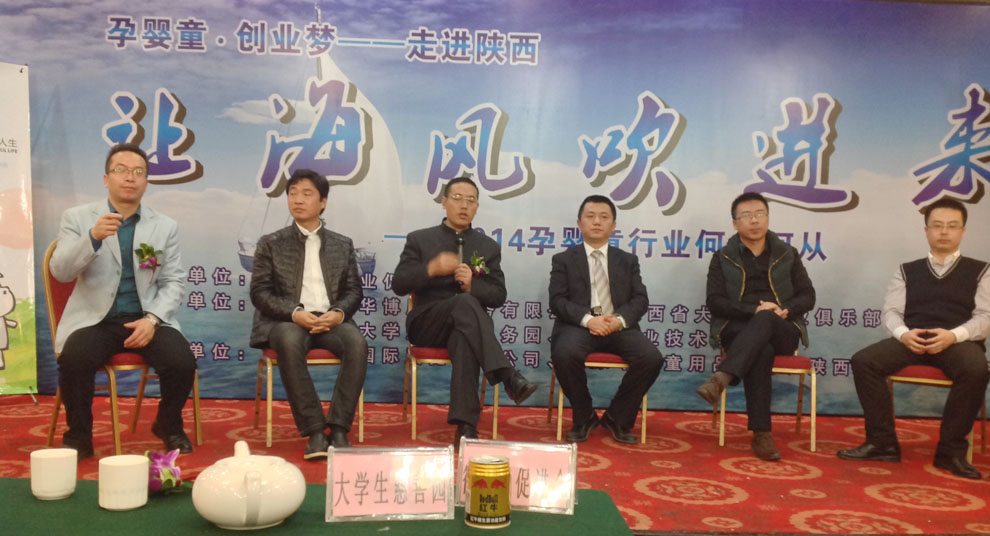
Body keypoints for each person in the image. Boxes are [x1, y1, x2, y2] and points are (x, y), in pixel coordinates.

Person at [51, 143, 196, 460]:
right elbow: (60, 271)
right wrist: (92, 238)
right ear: (106, 179)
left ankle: (168, 424)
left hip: (146, 319)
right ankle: (78, 436)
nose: (130, 177)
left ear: (146, 182)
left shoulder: (164, 226)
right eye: (121, 170)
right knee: (74, 359)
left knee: (183, 361)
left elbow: (174, 282)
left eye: (138, 172)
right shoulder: (78, 218)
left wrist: (152, 319)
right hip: (96, 320)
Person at [837, 198, 989, 479]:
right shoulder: (907, 270)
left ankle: (951, 452)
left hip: (958, 342)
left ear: (963, 231)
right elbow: (891, 312)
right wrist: (904, 334)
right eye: (937, 225)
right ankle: (882, 443)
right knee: (864, 361)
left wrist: (953, 335)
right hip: (913, 339)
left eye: (952, 226)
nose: (944, 232)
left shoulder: (981, 270)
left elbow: (985, 317)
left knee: (977, 368)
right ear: (926, 230)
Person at [392, 177, 538, 443]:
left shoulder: (488, 247)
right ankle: (507, 374)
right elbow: (399, 284)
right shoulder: (420, 239)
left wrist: (473, 286)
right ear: (444, 202)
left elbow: (498, 295)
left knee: (465, 334)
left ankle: (466, 426)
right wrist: (430, 269)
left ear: (477, 207)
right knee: (466, 304)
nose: (464, 205)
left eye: (471, 200)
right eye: (457, 198)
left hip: (468, 327)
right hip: (427, 324)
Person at [249, 169, 368, 459]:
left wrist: (338, 313)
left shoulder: (342, 244)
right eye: (292, 194)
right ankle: (314, 431)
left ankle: (338, 429)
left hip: (330, 320)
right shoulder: (270, 242)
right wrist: (294, 313)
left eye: (306, 194)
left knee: (357, 343)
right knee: (289, 341)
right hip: (287, 321)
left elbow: (354, 290)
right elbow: (260, 292)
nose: (298, 200)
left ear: (323, 202)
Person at [698, 192, 816, 460]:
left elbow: (807, 295)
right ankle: (762, 435)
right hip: (738, 329)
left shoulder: (787, 253)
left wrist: (784, 310)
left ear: (768, 218)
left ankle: (724, 376)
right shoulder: (723, 257)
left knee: (767, 319)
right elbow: (714, 301)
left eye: (760, 214)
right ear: (735, 223)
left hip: (783, 328)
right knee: (761, 349)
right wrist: (754, 310)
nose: (754, 220)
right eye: (747, 216)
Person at [548, 195, 662, 444]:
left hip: (618, 326)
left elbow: (640, 299)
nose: (597, 222)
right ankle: (584, 416)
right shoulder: (564, 260)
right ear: (579, 223)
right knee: (564, 353)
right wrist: (589, 320)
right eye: (590, 216)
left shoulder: (627, 260)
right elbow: (557, 301)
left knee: (651, 358)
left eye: (604, 217)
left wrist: (619, 320)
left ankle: (618, 418)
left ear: (613, 225)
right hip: (579, 327)